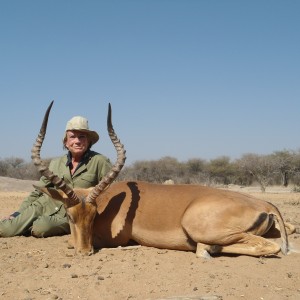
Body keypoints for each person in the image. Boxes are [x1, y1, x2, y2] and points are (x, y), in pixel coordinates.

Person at [0, 115, 112, 238]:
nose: (77, 141)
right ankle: (22, 225)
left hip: (72, 213)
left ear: (88, 141)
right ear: (66, 141)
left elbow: (109, 193)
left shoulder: (100, 161)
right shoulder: (56, 163)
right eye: (72, 137)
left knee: (40, 228)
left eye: (82, 137)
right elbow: (38, 191)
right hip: (43, 205)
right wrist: (18, 213)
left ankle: (29, 227)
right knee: (5, 229)